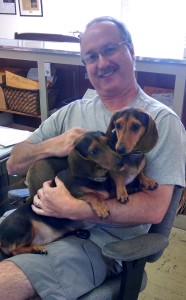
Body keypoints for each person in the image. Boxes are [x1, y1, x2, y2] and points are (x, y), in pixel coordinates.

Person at [0, 16, 185, 299]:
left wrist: (77, 209)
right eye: (91, 56)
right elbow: (14, 162)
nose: (101, 63)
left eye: (110, 49)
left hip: (99, 243)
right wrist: (52, 145)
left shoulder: (161, 122)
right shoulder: (70, 112)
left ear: (131, 50)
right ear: (85, 66)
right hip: (42, 223)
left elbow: (154, 210)